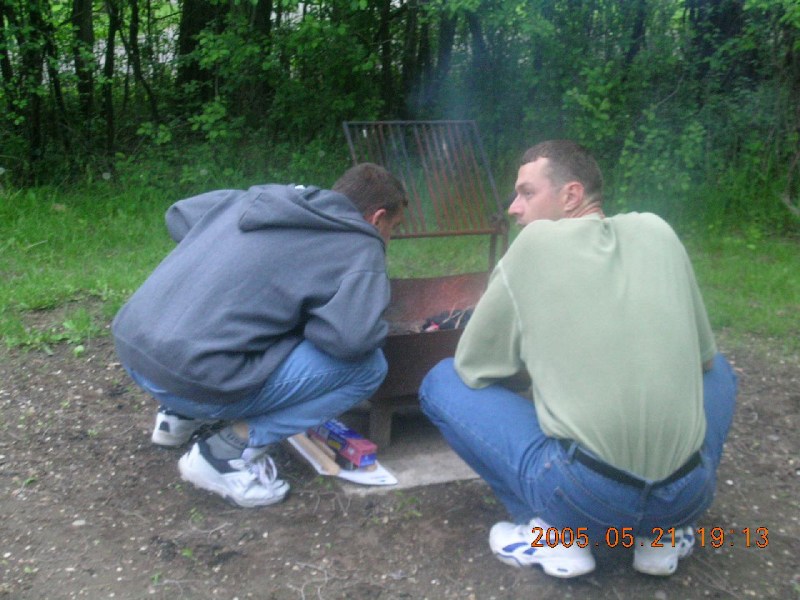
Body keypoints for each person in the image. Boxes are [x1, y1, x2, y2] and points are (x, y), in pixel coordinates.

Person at [419, 140, 737, 578]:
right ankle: (660, 536)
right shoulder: (658, 231)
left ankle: (556, 534)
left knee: (441, 382)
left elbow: (474, 368)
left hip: (588, 497)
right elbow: (703, 362)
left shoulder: (533, 245)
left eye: (527, 193)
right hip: (685, 494)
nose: (513, 208)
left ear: (571, 195)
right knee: (722, 371)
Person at [112, 163, 407, 508]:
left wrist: (228, 258)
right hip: (195, 379)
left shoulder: (263, 198)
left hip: (133, 348)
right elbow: (351, 341)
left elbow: (179, 215)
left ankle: (176, 418)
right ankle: (224, 454)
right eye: (394, 228)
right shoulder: (360, 243)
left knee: (238, 317)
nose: (391, 237)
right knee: (368, 368)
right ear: (377, 218)